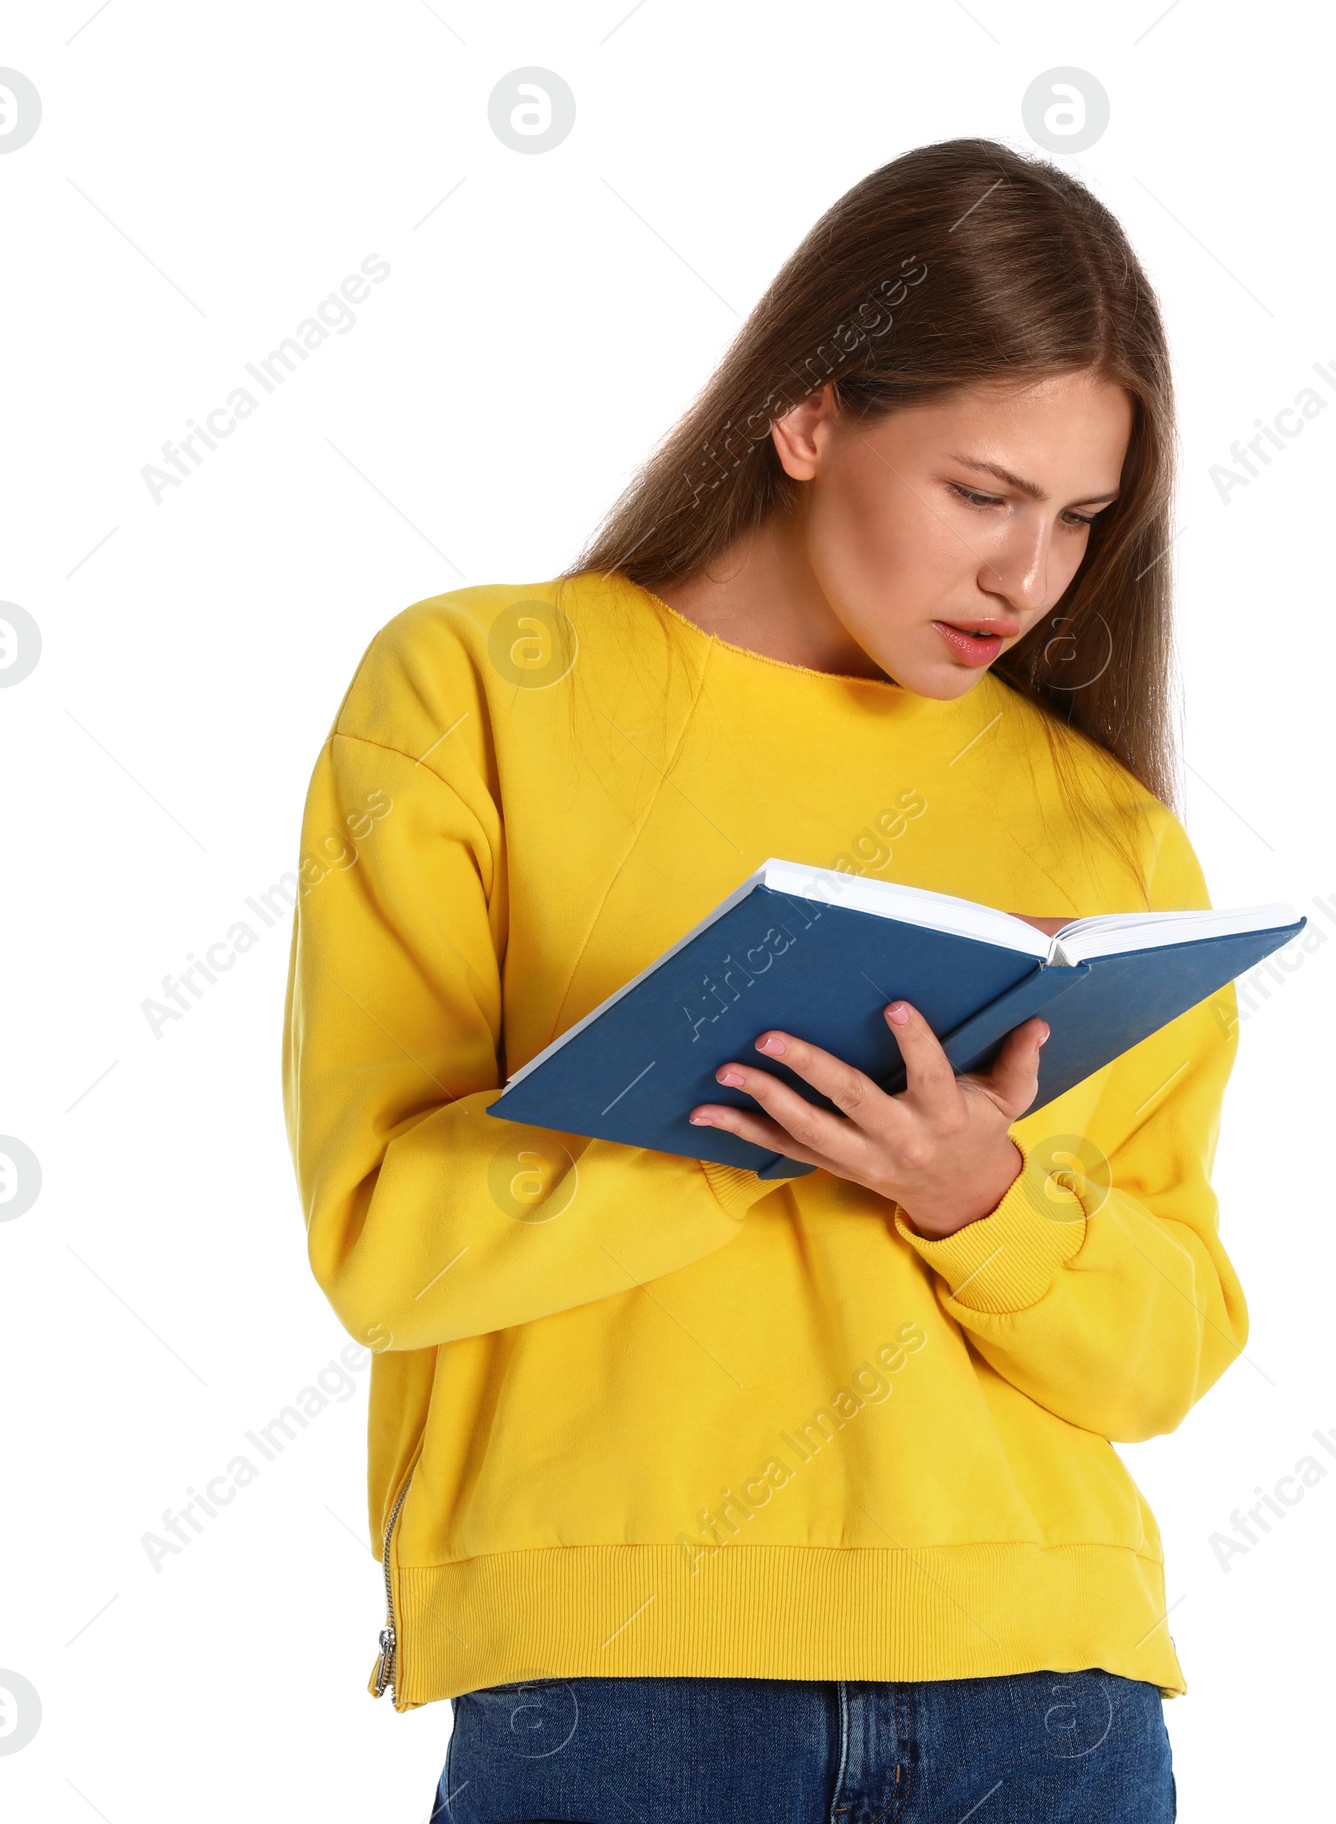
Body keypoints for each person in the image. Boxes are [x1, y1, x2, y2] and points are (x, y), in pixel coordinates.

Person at [282, 136, 1249, 1823]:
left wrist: (982, 1200)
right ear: (808, 421)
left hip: (1046, 1692)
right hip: (618, 1675)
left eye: (1082, 518)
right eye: (981, 493)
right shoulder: (478, 691)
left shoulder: (1106, 830)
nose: (1026, 578)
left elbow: (1162, 1353)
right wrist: (734, 1105)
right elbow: (383, 1242)